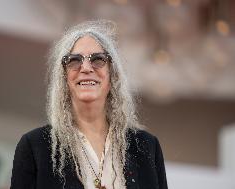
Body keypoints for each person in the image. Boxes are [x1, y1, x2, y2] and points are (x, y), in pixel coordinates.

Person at [11, 20, 168, 189]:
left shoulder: (146, 147)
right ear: (64, 78)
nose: (85, 67)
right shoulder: (34, 146)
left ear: (112, 76)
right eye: (74, 60)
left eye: (98, 59)